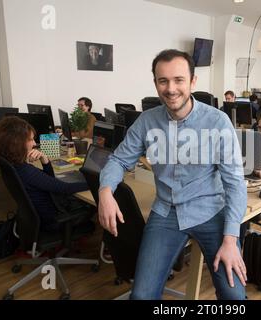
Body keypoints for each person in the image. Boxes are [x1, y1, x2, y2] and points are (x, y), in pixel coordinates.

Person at [98, 49, 247, 300]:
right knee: (141, 296)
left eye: (178, 80)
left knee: (233, 297)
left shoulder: (218, 122)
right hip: (166, 212)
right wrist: (105, 192)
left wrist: (231, 240)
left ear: (192, 82)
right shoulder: (147, 121)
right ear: (155, 83)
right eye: (162, 80)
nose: (170, 88)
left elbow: (235, 184)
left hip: (211, 211)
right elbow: (118, 159)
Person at [0, 116, 91, 232]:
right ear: (16, 142)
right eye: (30, 139)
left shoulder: (10, 163)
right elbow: (65, 188)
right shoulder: (26, 171)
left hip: (38, 218)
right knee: (91, 207)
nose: (34, 143)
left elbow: (49, 179)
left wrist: (45, 161)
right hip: (53, 221)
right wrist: (96, 181)